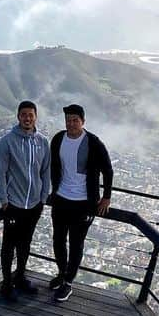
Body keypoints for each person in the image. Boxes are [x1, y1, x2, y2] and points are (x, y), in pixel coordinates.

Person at [48, 103, 113, 302]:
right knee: (58, 240)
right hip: (60, 198)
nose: (71, 123)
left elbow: (108, 170)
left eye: (75, 120)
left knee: (76, 243)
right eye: (68, 120)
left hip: (84, 202)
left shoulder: (93, 142)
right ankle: (62, 273)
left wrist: (106, 197)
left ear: (83, 122)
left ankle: (68, 283)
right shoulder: (58, 139)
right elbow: (53, 165)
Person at [0, 100, 51, 299]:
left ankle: (20, 277)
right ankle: (7, 285)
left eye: (31, 115)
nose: (27, 118)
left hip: (34, 204)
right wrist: (3, 200)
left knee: (25, 243)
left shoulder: (42, 142)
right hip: (14, 204)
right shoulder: (7, 141)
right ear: (18, 117)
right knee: (9, 245)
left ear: (36, 117)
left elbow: (46, 171)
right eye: (24, 114)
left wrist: (43, 198)